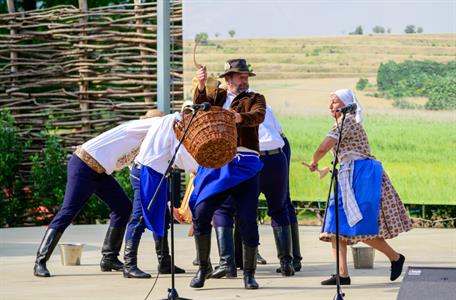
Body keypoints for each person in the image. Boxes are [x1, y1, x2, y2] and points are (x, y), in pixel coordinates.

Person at [33, 110, 163, 277]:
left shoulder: (142, 143)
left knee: (123, 208)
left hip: (101, 172)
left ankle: (109, 257)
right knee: (68, 211)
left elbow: (135, 168)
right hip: (83, 165)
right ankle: (40, 261)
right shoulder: (136, 127)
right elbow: (159, 124)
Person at [309, 89, 412, 285]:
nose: (331, 106)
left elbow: (324, 146)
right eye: (330, 103)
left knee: (357, 224)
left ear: (346, 104)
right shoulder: (344, 122)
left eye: (335, 102)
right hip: (350, 174)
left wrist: (314, 161)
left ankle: (395, 257)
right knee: (335, 224)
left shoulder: (346, 121)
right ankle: (342, 274)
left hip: (361, 175)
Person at [189, 58, 266, 289]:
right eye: (240, 76)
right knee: (201, 212)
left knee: (247, 219)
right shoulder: (218, 96)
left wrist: (239, 117)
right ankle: (204, 268)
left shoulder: (255, 98)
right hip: (217, 162)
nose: (244, 80)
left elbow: (258, 115)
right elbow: (199, 108)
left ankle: (249, 274)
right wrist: (201, 86)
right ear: (229, 78)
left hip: (246, 163)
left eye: (246, 76)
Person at [213, 105, 302, 278]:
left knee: (228, 209)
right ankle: (287, 263)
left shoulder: (225, 107)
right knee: (279, 208)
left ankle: (229, 263)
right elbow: (281, 135)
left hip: (249, 159)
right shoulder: (263, 106)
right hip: (274, 156)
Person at [123, 105, 198, 279]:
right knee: (139, 217)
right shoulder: (169, 126)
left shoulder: (169, 123)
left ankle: (164, 262)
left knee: (163, 216)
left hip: (157, 174)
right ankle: (129, 264)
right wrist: (198, 168)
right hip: (146, 174)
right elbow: (182, 157)